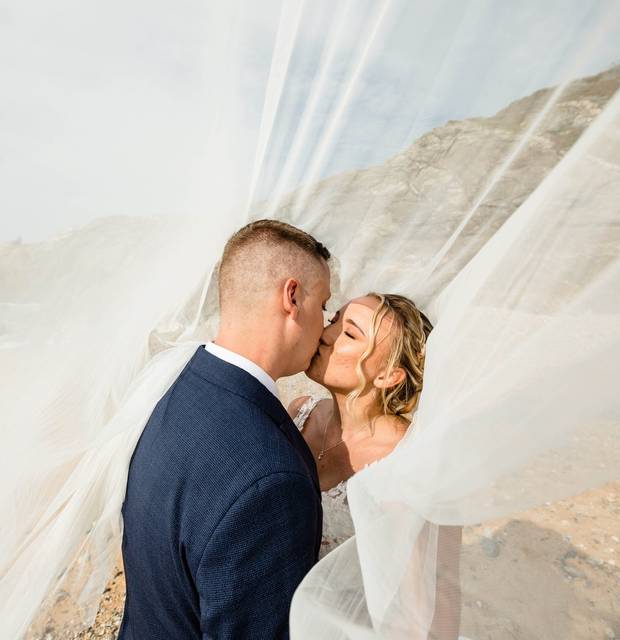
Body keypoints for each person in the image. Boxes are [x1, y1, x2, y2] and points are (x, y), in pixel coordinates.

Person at [118, 219, 332, 639]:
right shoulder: (271, 479)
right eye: (323, 305)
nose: (325, 326)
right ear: (292, 297)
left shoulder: (177, 384)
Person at [289, 292, 463, 639]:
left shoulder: (407, 458)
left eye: (349, 334)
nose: (326, 334)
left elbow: (434, 588)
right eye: (334, 319)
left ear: (388, 376)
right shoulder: (300, 413)